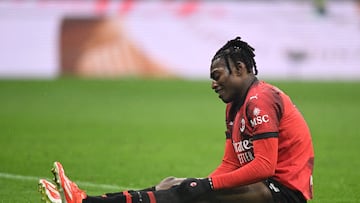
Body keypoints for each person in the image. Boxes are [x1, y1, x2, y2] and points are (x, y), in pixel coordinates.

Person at [38, 36, 314, 203]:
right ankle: (84, 199)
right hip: (263, 189)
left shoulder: (260, 100)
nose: (213, 84)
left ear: (240, 68)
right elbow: (230, 163)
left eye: (217, 76)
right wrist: (199, 184)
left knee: (191, 192)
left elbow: (264, 166)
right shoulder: (234, 108)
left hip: (283, 193)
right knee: (173, 184)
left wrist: (204, 187)